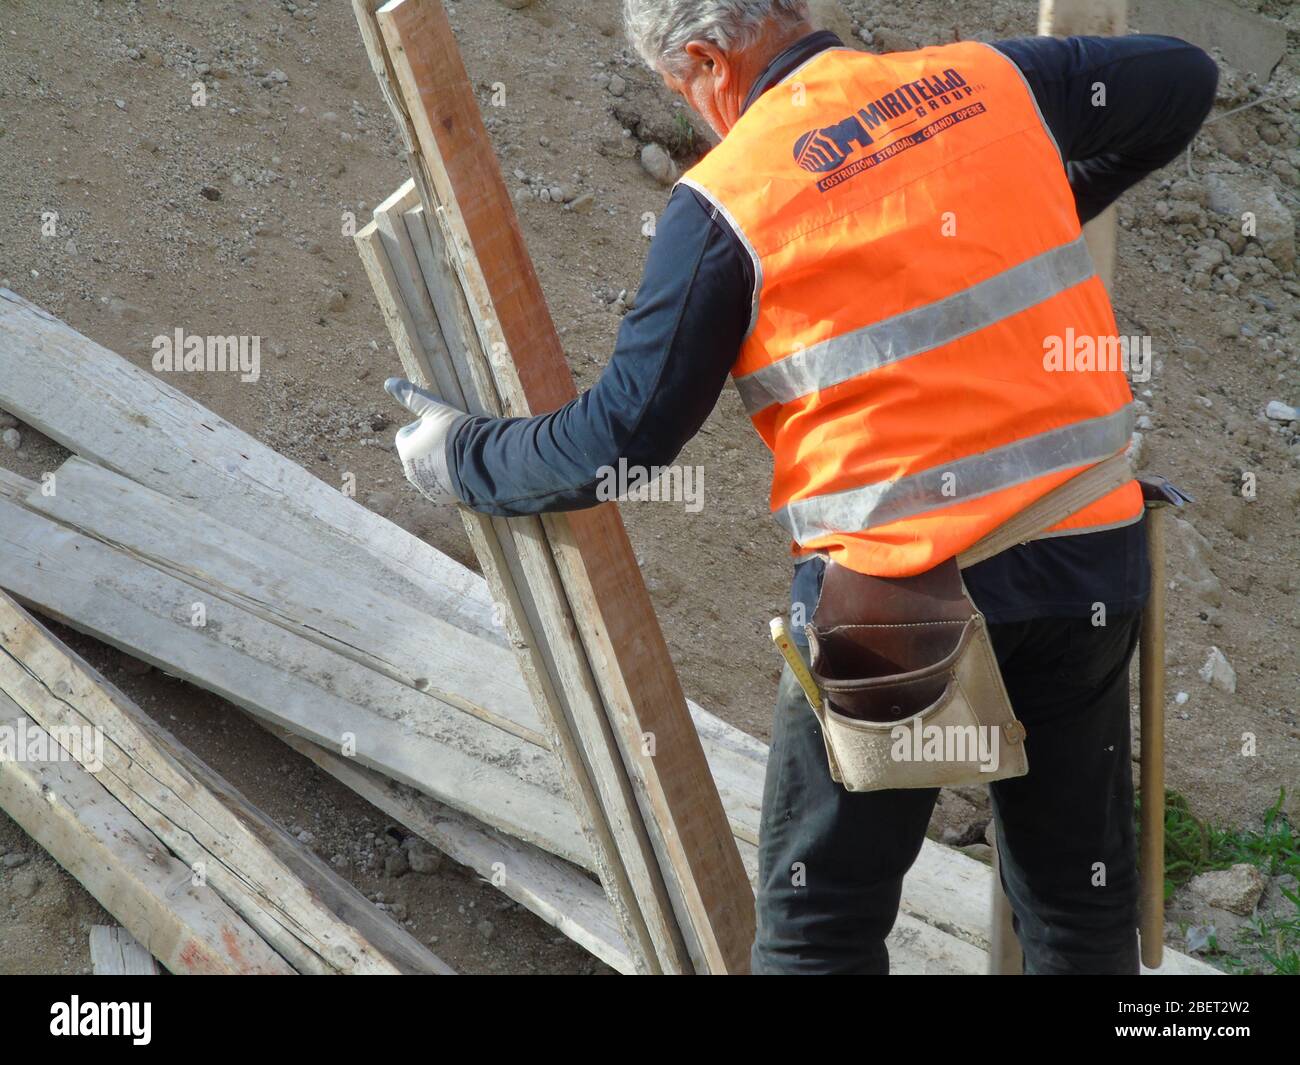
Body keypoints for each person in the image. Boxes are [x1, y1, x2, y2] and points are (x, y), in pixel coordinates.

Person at [383, 0, 1218, 974]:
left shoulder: (729, 202)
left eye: (682, 89)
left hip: (904, 607)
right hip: (1087, 560)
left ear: (700, 57)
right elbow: (1182, 79)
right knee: (1077, 918)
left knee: (821, 931)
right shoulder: (984, 82)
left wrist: (460, 456)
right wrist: (1029, 205)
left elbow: (616, 443)